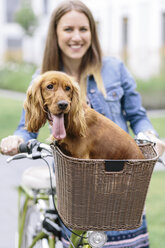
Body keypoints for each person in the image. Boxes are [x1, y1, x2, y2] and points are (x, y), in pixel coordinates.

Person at [1, 0, 165, 247]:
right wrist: (18, 140)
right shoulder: (42, 77)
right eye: (68, 29)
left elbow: (137, 115)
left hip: (121, 188)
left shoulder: (114, 69)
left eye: (83, 29)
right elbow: (28, 126)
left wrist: (149, 135)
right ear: (55, 34)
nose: (76, 37)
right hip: (77, 197)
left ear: (92, 33)